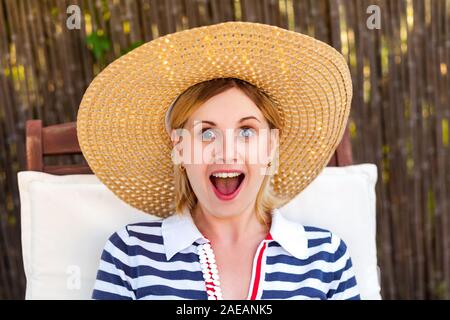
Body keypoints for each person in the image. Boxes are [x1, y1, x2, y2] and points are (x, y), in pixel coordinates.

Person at [77, 21, 360, 300]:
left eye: (246, 131)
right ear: (180, 148)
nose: (227, 151)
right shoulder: (130, 253)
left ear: (271, 146)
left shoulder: (326, 257)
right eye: (207, 132)